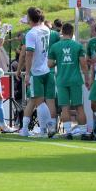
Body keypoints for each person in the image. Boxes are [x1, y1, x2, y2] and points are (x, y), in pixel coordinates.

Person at [48, 23, 90, 138]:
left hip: (61, 80)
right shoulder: (77, 46)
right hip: (75, 80)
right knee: (79, 107)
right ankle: (83, 133)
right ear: (72, 33)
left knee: (64, 107)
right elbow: (83, 64)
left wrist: (59, 61)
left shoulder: (55, 47)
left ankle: (68, 132)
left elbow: (50, 64)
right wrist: (87, 78)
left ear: (62, 32)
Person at [20, 7, 57, 137]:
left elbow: (29, 54)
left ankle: (48, 127)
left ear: (30, 19)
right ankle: (44, 129)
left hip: (36, 71)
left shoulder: (31, 33)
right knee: (46, 100)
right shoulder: (46, 29)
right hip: (47, 68)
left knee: (38, 101)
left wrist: (27, 73)